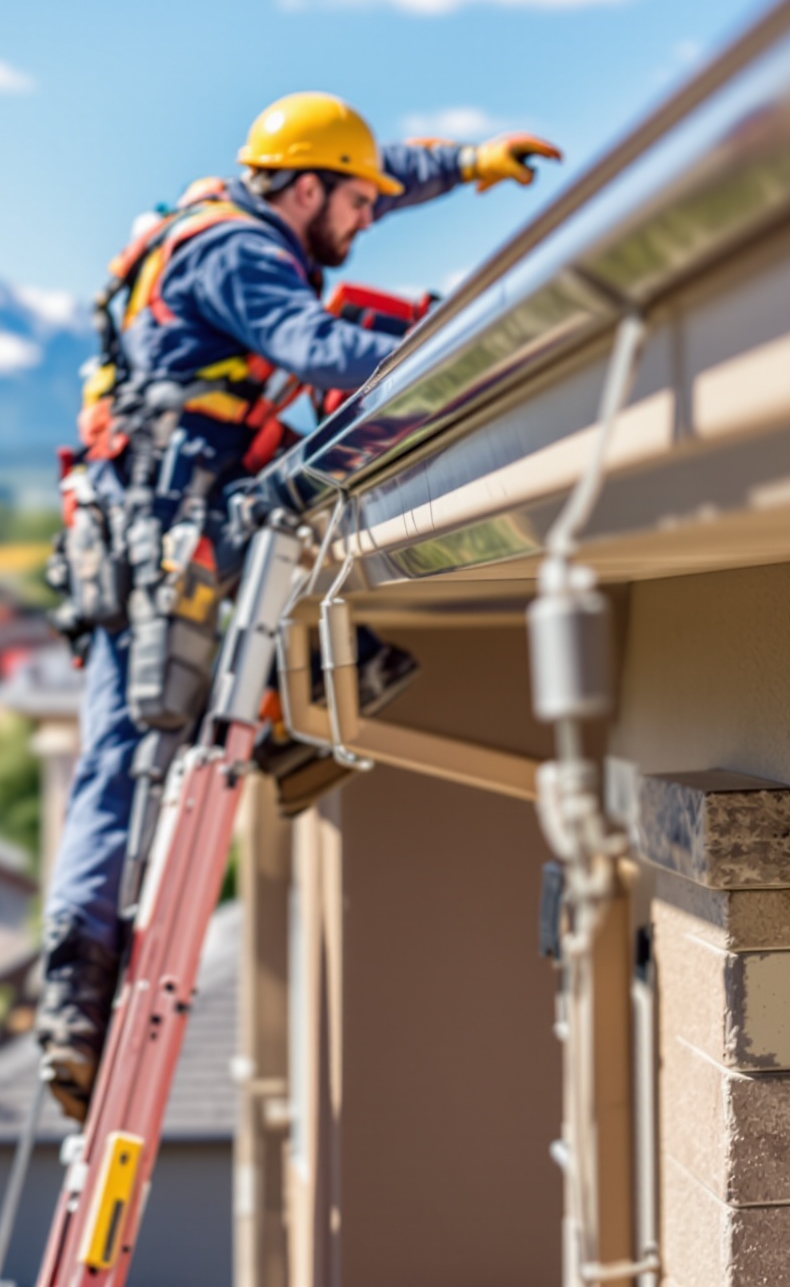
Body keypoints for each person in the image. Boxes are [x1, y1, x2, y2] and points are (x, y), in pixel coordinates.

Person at [37, 91, 560, 1116]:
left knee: (269, 640)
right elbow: (314, 347)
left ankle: (289, 725)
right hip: (168, 532)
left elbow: (380, 174)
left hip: (179, 510)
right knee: (126, 755)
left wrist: (469, 163)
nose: (367, 219)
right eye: (354, 203)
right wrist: (453, 365)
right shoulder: (237, 255)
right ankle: (75, 1002)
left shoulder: (244, 210)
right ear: (307, 188)